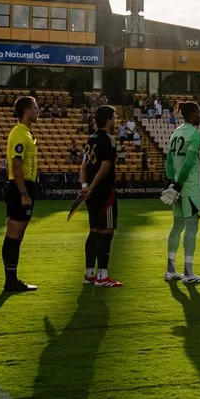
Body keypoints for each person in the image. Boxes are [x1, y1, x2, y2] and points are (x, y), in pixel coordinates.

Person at [72, 102, 121, 286]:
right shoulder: (109, 139)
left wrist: (85, 185)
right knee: (107, 231)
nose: (116, 120)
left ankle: (89, 274)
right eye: (114, 117)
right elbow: (105, 166)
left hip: (91, 194)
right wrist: (92, 187)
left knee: (93, 231)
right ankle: (103, 276)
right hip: (105, 192)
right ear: (108, 120)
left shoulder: (90, 139)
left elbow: (83, 165)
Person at [163, 100, 200, 285]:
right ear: (192, 114)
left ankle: (170, 270)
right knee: (191, 228)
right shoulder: (195, 134)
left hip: (177, 186)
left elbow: (168, 161)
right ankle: (188, 272)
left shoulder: (176, 132)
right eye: (198, 113)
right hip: (190, 187)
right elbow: (189, 163)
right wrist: (180, 184)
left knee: (177, 227)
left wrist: (171, 182)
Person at [0, 94, 41, 295]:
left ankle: (12, 279)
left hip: (23, 186)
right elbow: (16, 165)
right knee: (14, 235)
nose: (38, 111)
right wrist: (24, 192)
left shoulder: (25, 133)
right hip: (20, 187)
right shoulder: (19, 133)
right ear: (26, 111)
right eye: (35, 107)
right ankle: (11, 281)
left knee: (16, 235)